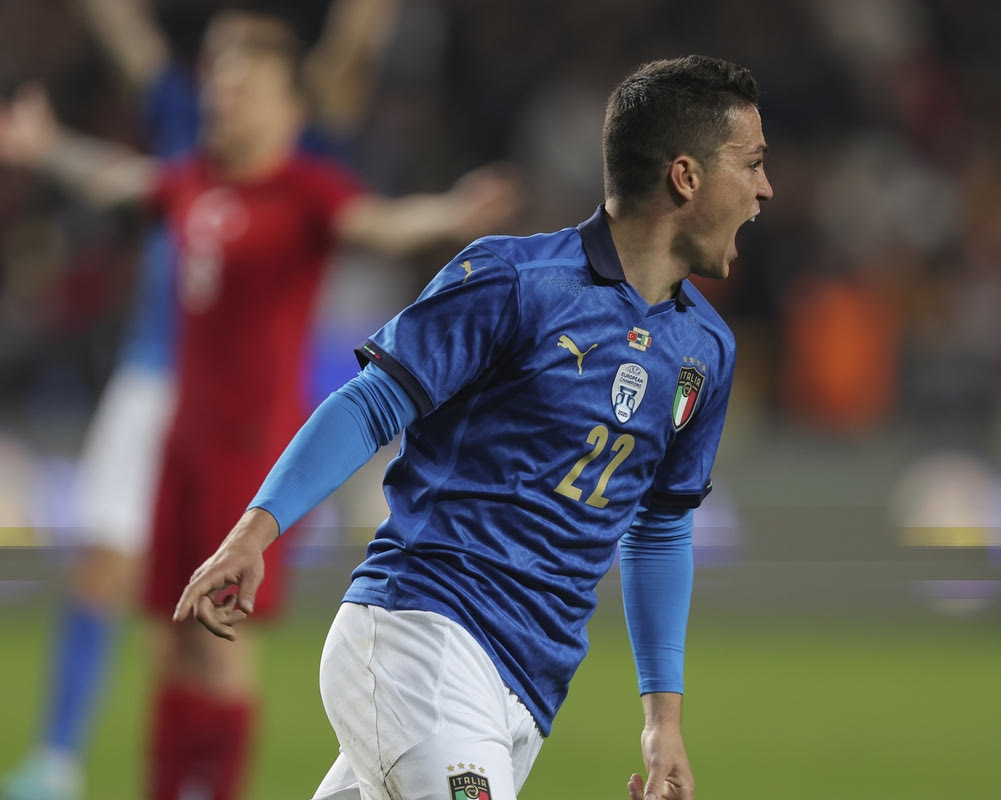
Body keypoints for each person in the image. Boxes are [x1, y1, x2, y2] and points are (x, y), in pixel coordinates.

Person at [174, 54, 773, 800]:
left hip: (527, 690)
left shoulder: (705, 351)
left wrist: (662, 720)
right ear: (686, 177)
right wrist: (254, 531)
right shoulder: (517, 281)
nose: (764, 189)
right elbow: (372, 404)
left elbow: (659, 527)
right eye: (752, 163)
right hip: (423, 638)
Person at [0, 11, 518, 800]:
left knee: (220, 643)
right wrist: (48, 149)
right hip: (181, 443)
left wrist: (451, 213)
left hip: (250, 452)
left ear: (288, 110)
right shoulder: (191, 181)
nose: (222, 98)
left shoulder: (307, 192)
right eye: (219, 84)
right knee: (171, 639)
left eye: (243, 87)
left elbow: (379, 225)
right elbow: (117, 178)